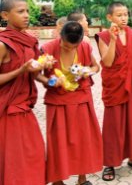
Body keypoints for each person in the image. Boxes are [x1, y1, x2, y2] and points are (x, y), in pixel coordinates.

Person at [95, 2, 132, 181]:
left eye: (126, 14)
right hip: (116, 86)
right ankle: (110, 163)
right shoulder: (103, 36)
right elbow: (108, 62)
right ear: (109, 17)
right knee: (114, 124)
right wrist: (113, 39)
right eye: (119, 15)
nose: (124, 18)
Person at [39, 21, 102, 185]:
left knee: (83, 139)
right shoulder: (48, 49)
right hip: (58, 100)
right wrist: (51, 81)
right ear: (61, 38)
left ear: (81, 41)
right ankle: (57, 180)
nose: (70, 49)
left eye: (74, 47)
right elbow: (35, 74)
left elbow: (96, 66)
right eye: (66, 46)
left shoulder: (85, 48)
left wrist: (87, 71)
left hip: (81, 98)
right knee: (58, 141)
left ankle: (82, 179)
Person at [0, 0, 45, 185]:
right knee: (15, 162)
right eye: (20, 12)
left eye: (27, 11)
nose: (26, 15)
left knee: (34, 154)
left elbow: (32, 73)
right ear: (5, 15)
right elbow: (23, 70)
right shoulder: (3, 44)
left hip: (25, 108)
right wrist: (21, 70)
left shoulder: (29, 41)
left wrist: (51, 80)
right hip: (8, 111)